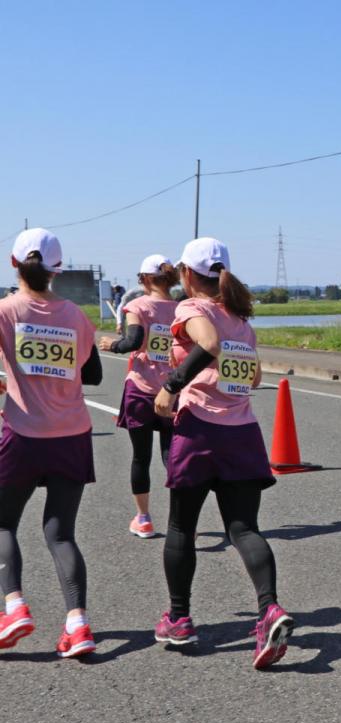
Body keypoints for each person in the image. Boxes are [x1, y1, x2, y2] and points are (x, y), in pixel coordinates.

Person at [151, 237, 293, 669]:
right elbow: (253, 379)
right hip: (242, 433)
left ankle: (178, 618)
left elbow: (208, 342)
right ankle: (269, 609)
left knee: (181, 528)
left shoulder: (192, 310)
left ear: (189, 274)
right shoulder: (243, 322)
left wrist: (172, 385)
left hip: (199, 431)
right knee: (244, 529)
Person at [0, 228, 103, 657]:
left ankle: (13, 605)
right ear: (57, 270)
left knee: (3, 523)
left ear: (13, 264)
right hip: (72, 435)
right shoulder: (75, 317)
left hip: (22, 432)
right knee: (61, 535)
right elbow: (93, 374)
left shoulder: (6, 311)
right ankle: (78, 624)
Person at [99, 254, 179, 538]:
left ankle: (143, 519)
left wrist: (112, 345)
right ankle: (181, 522)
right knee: (173, 457)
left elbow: (133, 341)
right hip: (173, 391)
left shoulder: (138, 306)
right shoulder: (182, 308)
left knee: (140, 458)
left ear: (144, 279)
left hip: (142, 391)